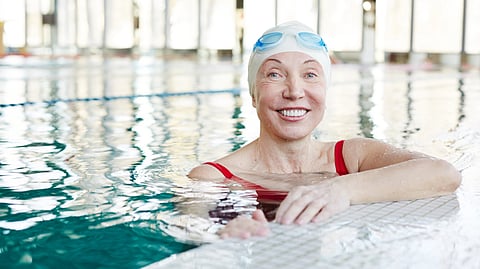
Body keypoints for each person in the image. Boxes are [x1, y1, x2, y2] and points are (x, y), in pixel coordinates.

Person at [188, 21, 462, 239]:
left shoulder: (353, 156)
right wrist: (217, 233)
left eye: (310, 75)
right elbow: (191, 224)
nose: (295, 91)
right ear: (253, 95)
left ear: (325, 91)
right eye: (274, 74)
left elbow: (444, 173)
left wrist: (341, 189)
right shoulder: (212, 176)